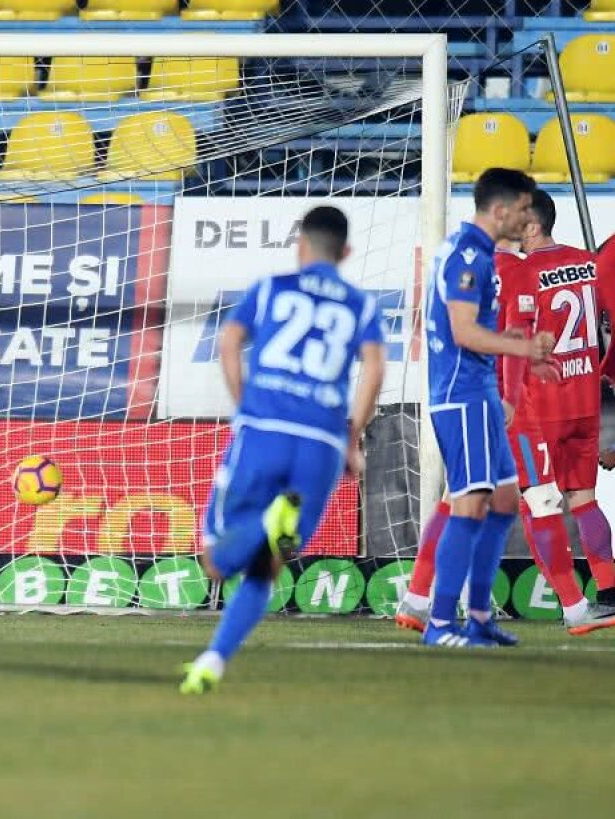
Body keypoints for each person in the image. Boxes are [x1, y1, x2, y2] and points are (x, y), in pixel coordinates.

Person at [179, 205, 384, 694]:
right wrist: (351, 436)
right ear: (345, 252)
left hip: (264, 430)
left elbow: (230, 341)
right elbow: (374, 369)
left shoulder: (272, 288)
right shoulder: (361, 305)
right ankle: (213, 660)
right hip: (322, 444)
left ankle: (267, 523)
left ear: (301, 246)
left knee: (216, 560)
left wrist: (244, 403)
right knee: (268, 565)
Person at [421, 167, 552, 648]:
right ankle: (439, 623)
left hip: (478, 394)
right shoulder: (469, 256)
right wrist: (521, 348)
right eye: (522, 209)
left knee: (504, 501)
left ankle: (478, 616)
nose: (527, 218)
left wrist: (510, 340)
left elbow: (473, 328)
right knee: (471, 503)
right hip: (462, 396)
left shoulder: (475, 252)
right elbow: (462, 332)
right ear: (500, 210)